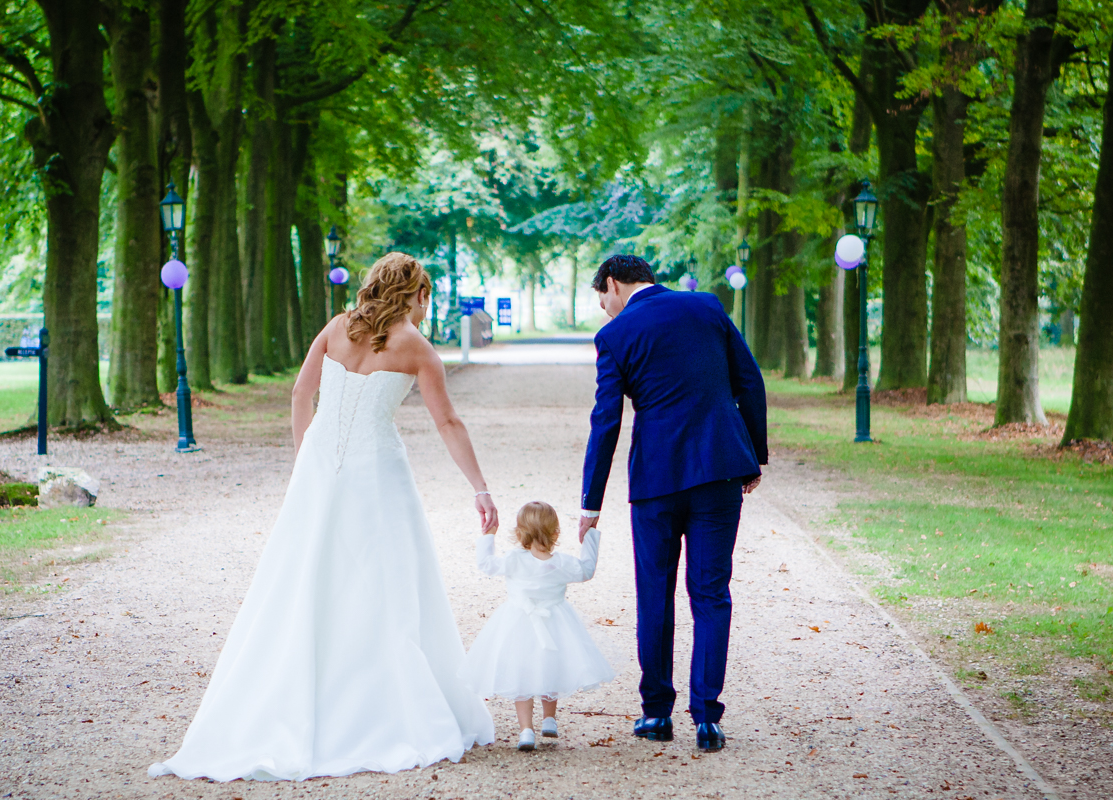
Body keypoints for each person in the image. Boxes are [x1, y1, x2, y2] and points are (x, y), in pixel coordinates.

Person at [149, 253, 497, 782]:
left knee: (304, 581)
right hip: (378, 471)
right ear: (412, 293)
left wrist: (304, 460)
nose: (426, 307)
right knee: (385, 585)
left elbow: (300, 394)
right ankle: (384, 706)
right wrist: (481, 488)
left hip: (319, 470)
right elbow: (447, 421)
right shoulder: (418, 349)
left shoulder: (337, 327)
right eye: (424, 295)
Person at [578, 254, 766, 753]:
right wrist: (753, 457)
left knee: (655, 594)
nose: (605, 311)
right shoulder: (706, 307)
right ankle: (708, 718)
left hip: (657, 480)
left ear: (613, 285)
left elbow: (606, 421)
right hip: (720, 469)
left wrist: (590, 503)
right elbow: (749, 381)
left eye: (603, 301)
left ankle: (656, 713)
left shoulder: (616, 336)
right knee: (710, 592)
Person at [462, 501, 615, 751]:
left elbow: (487, 565)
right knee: (549, 667)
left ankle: (526, 731)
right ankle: (549, 720)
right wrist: (589, 535)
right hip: (555, 622)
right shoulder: (563, 563)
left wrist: (488, 536)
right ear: (556, 532)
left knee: (521, 675)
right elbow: (587, 570)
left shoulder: (514, 559)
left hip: (518, 623)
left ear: (519, 532)